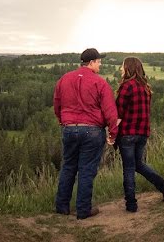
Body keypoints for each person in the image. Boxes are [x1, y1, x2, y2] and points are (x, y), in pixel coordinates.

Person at [53, 48, 118, 219]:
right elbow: (110, 110)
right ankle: (83, 210)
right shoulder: (100, 83)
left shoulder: (65, 79)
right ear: (91, 62)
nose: (100, 64)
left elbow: (57, 103)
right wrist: (113, 132)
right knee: (87, 170)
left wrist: (62, 120)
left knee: (68, 167)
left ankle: (62, 207)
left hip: (69, 128)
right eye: (99, 61)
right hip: (92, 131)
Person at [115, 56, 164, 212]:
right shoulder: (146, 87)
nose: (121, 69)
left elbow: (118, 115)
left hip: (127, 133)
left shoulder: (126, 87)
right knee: (138, 164)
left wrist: (111, 133)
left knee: (129, 168)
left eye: (122, 66)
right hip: (142, 133)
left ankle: (131, 205)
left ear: (128, 68)